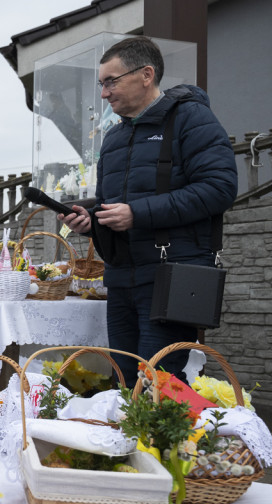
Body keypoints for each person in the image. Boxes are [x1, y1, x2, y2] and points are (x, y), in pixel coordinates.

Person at [59, 36, 237, 380]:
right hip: (122, 278)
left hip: (172, 278)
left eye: (111, 82)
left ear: (146, 75)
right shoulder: (113, 138)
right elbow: (117, 206)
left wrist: (137, 213)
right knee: (125, 380)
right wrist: (92, 220)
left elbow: (219, 188)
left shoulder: (191, 118)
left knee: (159, 381)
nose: (104, 94)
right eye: (101, 84)